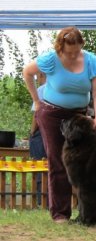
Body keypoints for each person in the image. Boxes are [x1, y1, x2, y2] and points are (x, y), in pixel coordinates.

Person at [23, 26, 96, 223]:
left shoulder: (91, 61)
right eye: (69, 51)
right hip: (52, 115)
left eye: (77, 50)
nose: (74, 54)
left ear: (81, 45)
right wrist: (36, 100)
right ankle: (60, 213)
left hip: (79, 117)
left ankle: (89, 212)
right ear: (61, 47)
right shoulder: (51, 58)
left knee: (85, 162)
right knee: (58, 162)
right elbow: (27, 72)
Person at [28, 72, 47, 206]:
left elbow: (36, 114)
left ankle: (40, 200)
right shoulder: (60, 89)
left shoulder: (41, 90)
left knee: (39, 166)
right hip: (57, 132)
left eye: (38, 77)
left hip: (41, 133)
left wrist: (32, 132)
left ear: (42, 76)